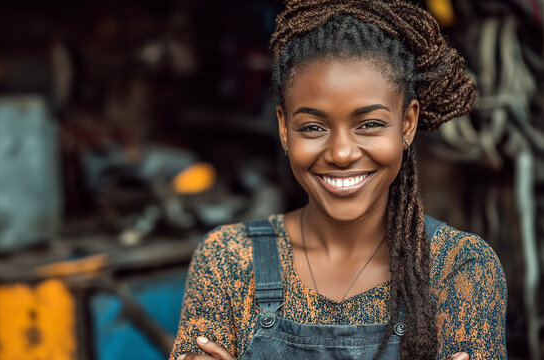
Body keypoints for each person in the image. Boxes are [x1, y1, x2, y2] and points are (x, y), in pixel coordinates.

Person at [170, 0, 507, 359]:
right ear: (285, 129)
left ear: (407, 124)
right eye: (313, 127)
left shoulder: (461, 267)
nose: (341, 153)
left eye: (370, 125)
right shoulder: (229, 259)